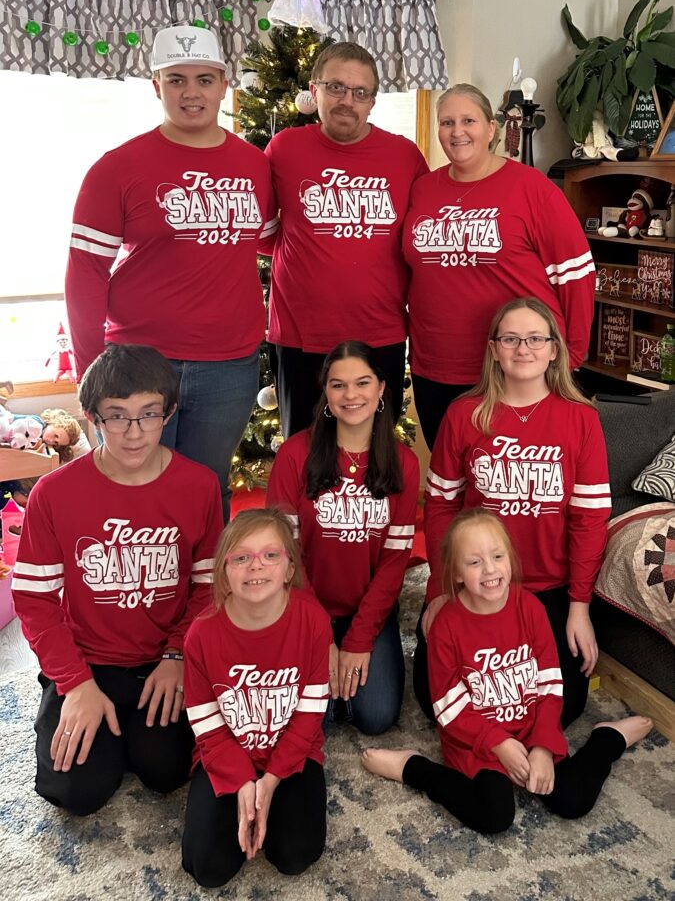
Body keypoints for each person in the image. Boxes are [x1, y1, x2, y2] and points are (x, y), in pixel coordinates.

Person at [65, 24, 275, 520]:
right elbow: (85, 273)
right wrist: (91, 371)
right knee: (133, 489)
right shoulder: (116, 168)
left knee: (206, 490)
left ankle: (206, 598)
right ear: (156, 86)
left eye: (204, 79)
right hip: (139, 362)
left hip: (230, 364)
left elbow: (271, 240)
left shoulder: (256, 166)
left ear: (225, 85)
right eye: (176, 79)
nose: (192, 93)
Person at [12, 343, 223, 816]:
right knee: (77, 793)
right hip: (90, 661)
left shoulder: (200, 485)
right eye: (117, 416)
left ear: (168, 413)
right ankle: (74, 712)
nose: (134, 432)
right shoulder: (54, 492)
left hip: (161, 657)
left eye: (148, 414)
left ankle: (132, 733)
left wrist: (177, 655)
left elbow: (209, 587)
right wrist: (74, 684)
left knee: (166, 772)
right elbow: (33, 598)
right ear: (91, 417)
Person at [362, 509, 652, 835]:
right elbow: (448, 706)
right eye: (474, 562)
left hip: (530, 729)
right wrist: (497, 743)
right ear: (456, 573)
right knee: (494, 816)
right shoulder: (446, 627)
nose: (490, 569)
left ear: (510, 560)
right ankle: (413, 767)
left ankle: (609, 737)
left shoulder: (530, 608)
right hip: (476, 741)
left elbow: (549, 684)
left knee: (573, 800)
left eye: (498, 556)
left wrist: (542, 746)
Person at [415, 298, 611, 728]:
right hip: (477, 584)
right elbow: (441, 507)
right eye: (511, 339)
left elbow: (589, 519)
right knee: (437, 705)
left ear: (554, 349)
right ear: (494, 349)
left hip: (547, 587)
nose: (524, 349)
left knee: (565, 708)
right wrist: (441, 589)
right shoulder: (465, 414)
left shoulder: (581, 420)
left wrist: (579, 607)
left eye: (536, 338)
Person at [402, 83, 595, 450]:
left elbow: (576, 276)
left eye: (468, 120)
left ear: (491, 129)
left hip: (515, 368)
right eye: (446, 122)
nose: (457, 131)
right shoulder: (423, 189)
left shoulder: (532, 189)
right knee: (450, 480)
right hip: (435, 365)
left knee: (505, 485)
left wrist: (569, 360)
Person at [263, 42, 429, 438]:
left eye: (360, 92)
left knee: (374, 462)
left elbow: (424, 240)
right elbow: (261, 231)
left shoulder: (404, 156)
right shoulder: (285, 149)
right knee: (304, 457)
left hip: (379, 336)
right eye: (335, 87)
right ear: (314, 89)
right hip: (301, 337)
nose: (346, 101)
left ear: (372, 100)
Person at [266, 340, 419, 735]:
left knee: (377, 717)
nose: (351, 395)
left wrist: (358, 639)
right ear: (326, 392)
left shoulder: (404, 462)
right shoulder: (295, 455)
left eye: (362, 383)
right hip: (300, 607)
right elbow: (282, 557)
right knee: (304, 720)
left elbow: (394, 562)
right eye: (338, 385)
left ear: (382, 389)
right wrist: (320, 636)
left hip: (365, 610)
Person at [182, 508, 331, 888]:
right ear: (224, 572)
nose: (256, 566)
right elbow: (208, 727)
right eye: (241, 557)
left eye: (270, 555)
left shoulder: (313, 621)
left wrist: (271, 782)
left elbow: (309, 716)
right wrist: (243, 784)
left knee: (295, 854)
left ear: (290, 569)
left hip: (293, 754)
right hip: (225, 755)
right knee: (208, 867)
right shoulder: (201, 635)